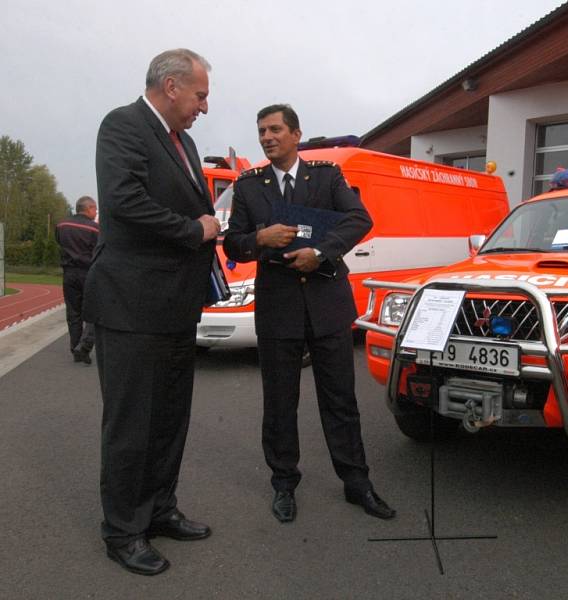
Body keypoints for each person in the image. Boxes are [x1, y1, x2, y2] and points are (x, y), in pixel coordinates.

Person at [224, 104, 395, 524]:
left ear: (296, 134)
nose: (267, 137)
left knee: (340, 401)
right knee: (280, 403)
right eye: (262, 130)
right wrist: (258, 238)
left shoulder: (325, 176)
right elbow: (232, 244)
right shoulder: (248, 186)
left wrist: (320, 252)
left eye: (276, 129)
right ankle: (284, 484)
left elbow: (360, 219)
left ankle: (357, 484)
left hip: (327, 305)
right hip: (278, 309)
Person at [84, 48, 220, 576]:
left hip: (175, 306)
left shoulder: (183, 142)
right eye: (200, 95)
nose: (203, 107)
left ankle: (159, 509)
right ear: (170, 86)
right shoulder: (122, 125)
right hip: (131, 304)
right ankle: (123, 531)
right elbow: (123, 201)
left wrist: (212, 221)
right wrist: (195, 229)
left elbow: (188, 207)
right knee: (132, 425)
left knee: (169, 419)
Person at [55, 195, 99, 364]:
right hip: (88, 273)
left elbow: (59, 242)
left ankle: (76, 349)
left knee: (73, 313)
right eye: (94, 209)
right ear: (88, 208)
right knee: (95, 311)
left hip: (69, 273)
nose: (95, 213)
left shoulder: (62, 225)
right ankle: (85, 346)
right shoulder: (96, 229)